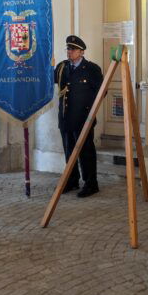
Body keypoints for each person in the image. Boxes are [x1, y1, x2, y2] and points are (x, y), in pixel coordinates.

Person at [54, 35, 103, 197]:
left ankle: (91, 184)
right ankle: (72, 180)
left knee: (86, 152)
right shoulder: (62, 67)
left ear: (81, 52)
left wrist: (89, 111)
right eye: (68, 49)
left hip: (83, 119)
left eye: (73, 49)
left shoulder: (92, 69)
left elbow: (101, 92)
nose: (69, 52)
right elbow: (50, 81)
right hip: (65, 118)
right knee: (69, 151)